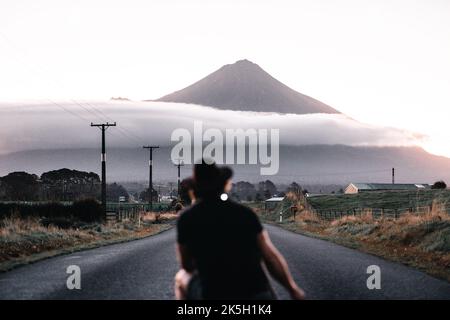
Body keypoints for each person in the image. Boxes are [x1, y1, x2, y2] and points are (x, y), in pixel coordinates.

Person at [174, 160, 305, 300]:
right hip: (256, 293)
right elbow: (270, 258)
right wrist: (292, 289)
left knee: (180, 278)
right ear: (225, 185)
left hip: (212, 293)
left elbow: (186, 265)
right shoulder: (245, 214)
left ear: (193, 189)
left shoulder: (187, 218)